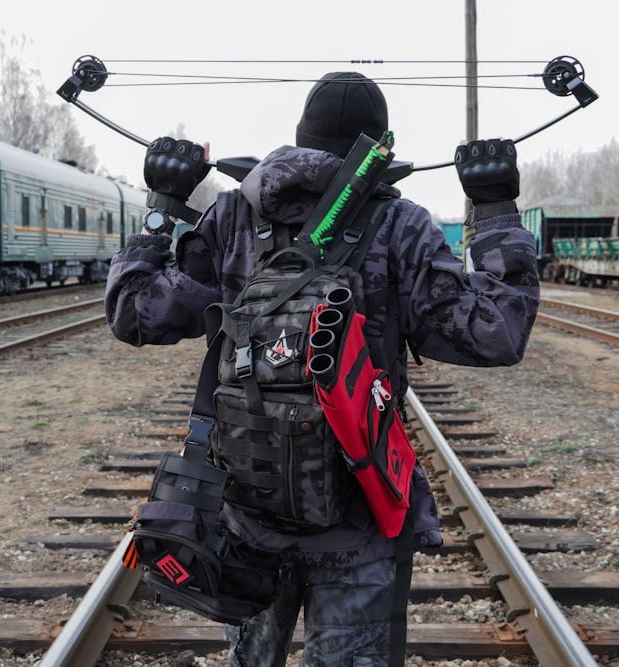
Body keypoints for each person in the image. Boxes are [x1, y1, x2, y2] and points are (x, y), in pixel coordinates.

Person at [105, 72, 540, 667]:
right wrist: (495, 212)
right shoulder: (402, 225)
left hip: (246, 514)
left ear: (299, 139)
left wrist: (161, 211)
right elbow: (495, 333)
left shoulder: (233, 217)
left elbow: (138, 315)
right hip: (361, 523)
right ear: (381, 148)